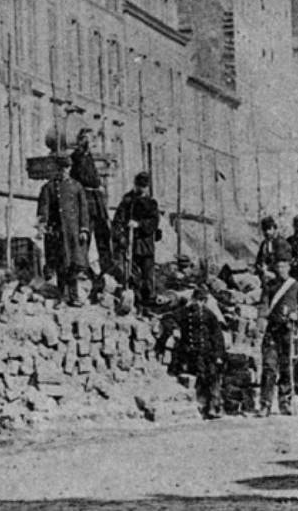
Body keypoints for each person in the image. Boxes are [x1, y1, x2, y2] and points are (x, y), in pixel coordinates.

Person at [37, 153, 91, 306]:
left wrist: (84, 229)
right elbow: (43, 208)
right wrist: (42, 225)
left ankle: (74, 296)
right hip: (57, 232)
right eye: (61, 168)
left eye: (66, 168)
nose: (64, 171)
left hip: (73, 232)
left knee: (73, 265)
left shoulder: (77, 187)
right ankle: (61, 296)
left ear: (70, 168)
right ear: (57, 169)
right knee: (61, 264)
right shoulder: (49, 187)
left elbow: (83, 210)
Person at [257, 257, 298, 416]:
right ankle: (265, 404)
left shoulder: (296, 286)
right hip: (273, 330)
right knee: (269, 367)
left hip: (288, 331)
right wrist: (261, 319)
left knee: (287, 368)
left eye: (283, 266)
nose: (280, 270)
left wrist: (296, 315)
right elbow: (264, 304)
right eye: (278, 267)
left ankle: (285, 403)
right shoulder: (269, 286)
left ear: (289, 268)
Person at [170, 286, 225, 420]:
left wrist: (218, 355)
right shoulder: (184, 312)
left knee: (212, 374)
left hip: (206, 351)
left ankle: (214, 406)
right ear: (192, 299)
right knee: (197, 374)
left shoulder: (209, 315)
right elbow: (170, 318)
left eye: (201, 300)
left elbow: (217, 336)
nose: (198, 303)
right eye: (196, 300)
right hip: (189, 352)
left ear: (204, 302)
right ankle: (202, 405)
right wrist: (175, 328)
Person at [111, 171, 161, 306]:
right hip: (130, 243)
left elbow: (154, 222)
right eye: (139, 186)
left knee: (147, 273)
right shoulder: (127, 201)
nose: (142, 189)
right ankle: (135, 299)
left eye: (144, 186)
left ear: (147, 187)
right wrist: (121, 235)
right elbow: (118, 220)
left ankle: (149, 300)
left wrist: (139, 224)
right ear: (135, 184)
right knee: (132, 272)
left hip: (146, 244)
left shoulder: (151, 203)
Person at [70, 128, 113, 280]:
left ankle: (107, 268)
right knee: (85, 236)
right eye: (88, 139)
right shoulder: (78, 156)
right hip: (87, 201)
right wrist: (97, 183)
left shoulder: (88, 156)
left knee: (104, 236)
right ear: (82, 140)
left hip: (96, 202)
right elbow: (88, 179)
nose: (92, 142)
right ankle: (81, 269)